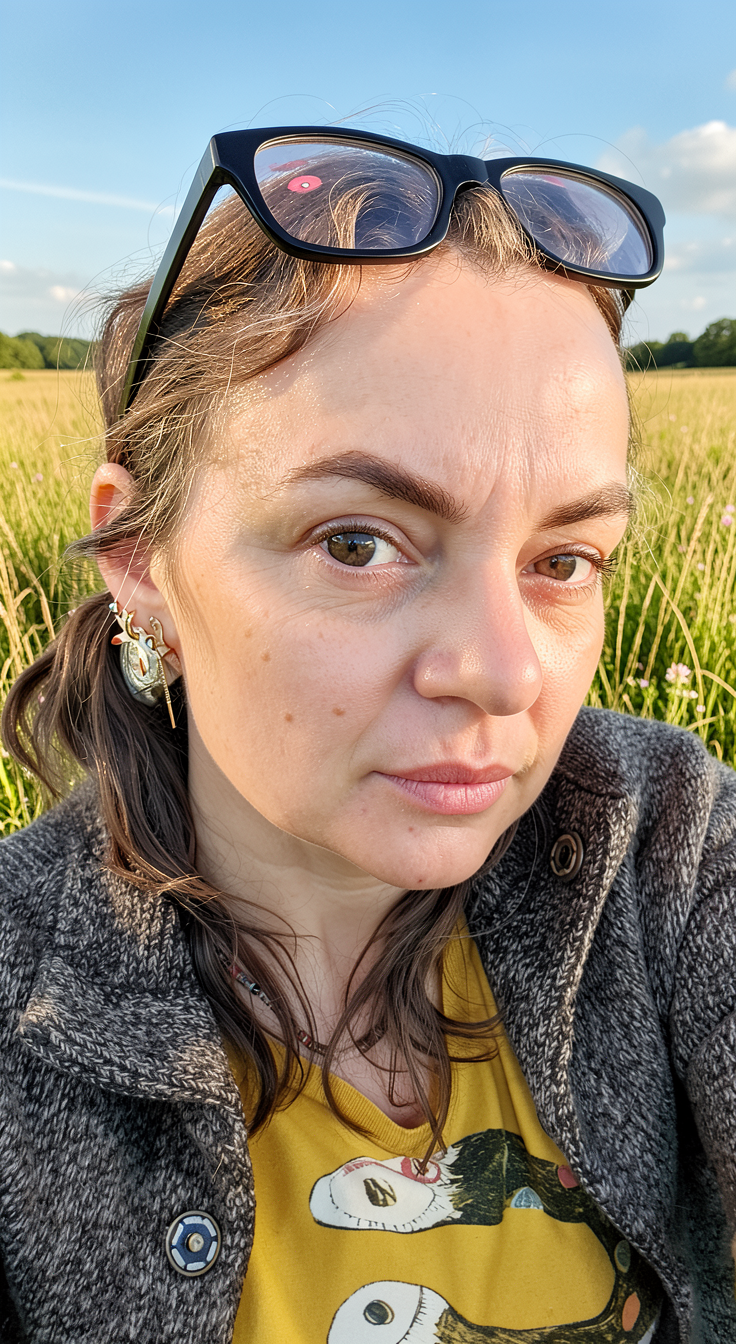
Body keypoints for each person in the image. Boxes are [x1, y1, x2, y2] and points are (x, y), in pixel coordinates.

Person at [0, 127, 733, 1344]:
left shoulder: (668, 855)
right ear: (138, 555)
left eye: (563, 561)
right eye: (357, 543)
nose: (504, 672)